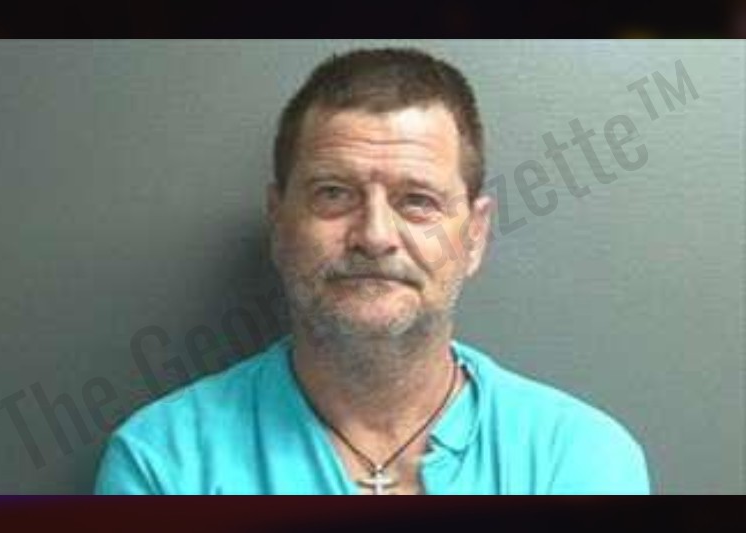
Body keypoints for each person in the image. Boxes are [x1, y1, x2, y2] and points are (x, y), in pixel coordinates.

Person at [94, 47, 650, 495]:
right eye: (334, 194)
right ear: (278, 223)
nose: (376, 235)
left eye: (417, 201)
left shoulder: (578, 459)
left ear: (475, 236)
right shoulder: (165, 464)